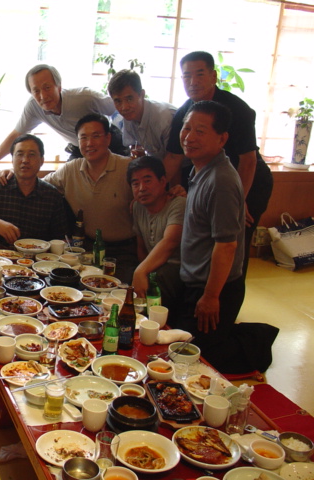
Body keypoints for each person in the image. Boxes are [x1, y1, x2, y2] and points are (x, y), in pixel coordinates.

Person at [177, 101, 278, 374]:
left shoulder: (220, 180)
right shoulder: (199, 169)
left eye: (200, 131)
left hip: (215, 287)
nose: (189, 137)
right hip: (195, 280)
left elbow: (227, 246)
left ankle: (259, 339)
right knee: (177, 342)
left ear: (222, 139)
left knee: (198, 359)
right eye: (186, 128)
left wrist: (211, 297)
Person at [164, 51, 273, 276]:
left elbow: (248, 160)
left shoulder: (237, 109)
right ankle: (204, 287)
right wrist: (160, 188)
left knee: (234, 244)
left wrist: (238, 201)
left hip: (248, 181)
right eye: (186, 76)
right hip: (209, 182)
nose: (193, 82)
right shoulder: (185, 112)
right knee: (205, 240)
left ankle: (228, 291)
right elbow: (174, 157)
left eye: (199, 74)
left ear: (213, 76)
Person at [0, 114, 136, 282]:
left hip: (123, 251)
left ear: (108, 138)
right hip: (86, 249)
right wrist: (12, 173)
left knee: (120, 292)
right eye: (83, 138)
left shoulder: (127, 167)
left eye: (96, 136)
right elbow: (35, 183)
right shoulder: (71, 170)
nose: (89, 143)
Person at [0, 64, 119, 172]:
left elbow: (118, 108)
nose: (43, 96)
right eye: (36, 91)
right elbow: (16, 135)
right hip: (79, 148)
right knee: (70, 180)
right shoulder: (34, 106)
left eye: (47, 87)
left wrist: (131, 142)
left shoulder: (84, 97)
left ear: (59, 87)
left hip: (109, 143)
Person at [0, 134, 69, 247]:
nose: (25, 160)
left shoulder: (52, 195)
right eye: (20, 154)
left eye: (32, 155)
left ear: (42, 160)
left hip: (38, 256)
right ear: (12, 159)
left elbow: (61, 238)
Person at [127, 155, 185, 324]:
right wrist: (142, 271)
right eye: (135, 184)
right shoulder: (137, 207)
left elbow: (170, 242)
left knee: (158, 280)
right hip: (154, 268)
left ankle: (156, 327)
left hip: (178, 269)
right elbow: (141, 247)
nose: (142, 188)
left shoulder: (178, 204)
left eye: (147, 181)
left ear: (163, 181)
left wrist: (141, 272)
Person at [108, 69, 177, 160]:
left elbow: (174, 158)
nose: (124, 107)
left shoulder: (164, 117)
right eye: (118, 101)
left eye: (129, 99)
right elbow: (133, 146)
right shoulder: (129, 116)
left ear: (142, 94)